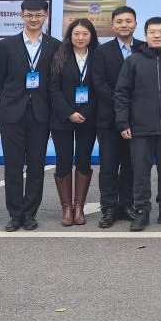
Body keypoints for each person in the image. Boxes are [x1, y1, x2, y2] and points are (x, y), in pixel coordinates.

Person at [0, 0, 60, 231]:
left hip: (41, 114)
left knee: (35, 166)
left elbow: (56, 79)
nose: (33, 19)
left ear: (46, 16)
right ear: (21, 15)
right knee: (12, 166)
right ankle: (15, 214)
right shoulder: (6, 45)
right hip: (11, 114)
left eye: (38, 15)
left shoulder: (54, 45)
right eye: (29, 15)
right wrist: (14, 98)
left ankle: (30, 213)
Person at [114, 16, 161, 231]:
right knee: (140, 172)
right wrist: (123, 121)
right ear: (145, 35)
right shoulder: (133, 61)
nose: (157, 35)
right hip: (140, 128)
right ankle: (142, 211)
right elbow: (121, 93)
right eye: (152, 32)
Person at [91, 6, 143, 228]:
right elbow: (99, 83)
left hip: (138, 119)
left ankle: (127, 204)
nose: (124, 25)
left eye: (128, 21)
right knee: (109, 166)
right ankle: (109, 208)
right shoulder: (101, 51)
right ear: (112, 25)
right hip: (108, 118)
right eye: (119, 21)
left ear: (135, 24)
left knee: (131, 165)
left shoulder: (145, 49)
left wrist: (134, 107)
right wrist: (121, 104)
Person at [48, 18, 100, 226]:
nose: (80, 37)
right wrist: (69, 112)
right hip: (62, 118)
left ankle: (79, 207)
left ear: (91, 36)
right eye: (76, 33)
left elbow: (99, 88)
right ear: (70, 36)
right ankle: (66, 208)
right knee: (63, 160)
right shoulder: (59, 55)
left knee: (83, 159)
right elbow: (53, 88)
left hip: (88, 118)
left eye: (85, 34)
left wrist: (85, 111)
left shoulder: (98, 56)